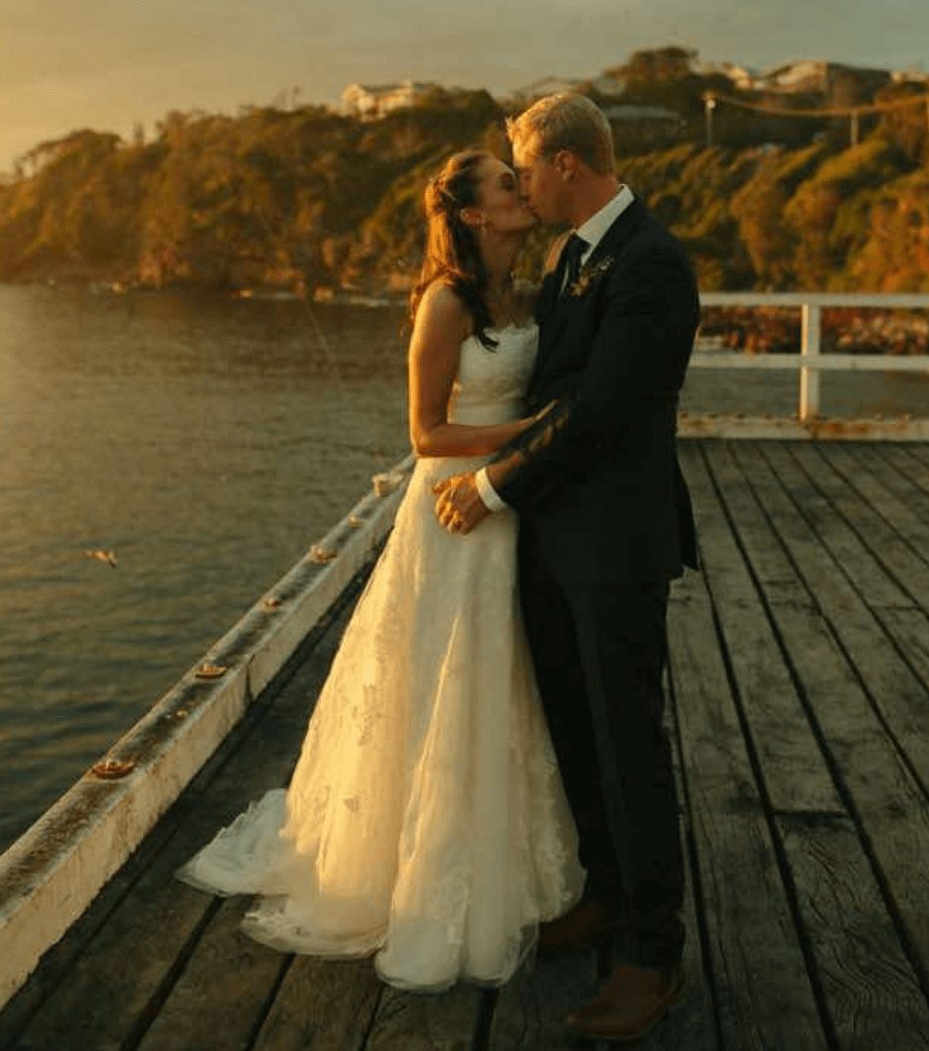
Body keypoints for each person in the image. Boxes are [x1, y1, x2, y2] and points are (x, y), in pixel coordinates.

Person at [176, 148, 585, 992]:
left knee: (501, 679)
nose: (520, 190)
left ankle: (500, 851)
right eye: (506, 184)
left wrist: (531, 446)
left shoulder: (523, 290)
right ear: (473, 215)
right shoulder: (445, 303)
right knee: (441, 677)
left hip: (509, 504)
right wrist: (536, 432)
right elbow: (426, 434)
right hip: (453, 510)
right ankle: (416, 869)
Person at [433, 93, 700, 1042]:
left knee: (629, 743)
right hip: (555, 540)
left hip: (614, 544)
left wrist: (495, 487)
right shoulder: (571, 255)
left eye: (526, 168)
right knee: (576, 731)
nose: (523, 184)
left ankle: (651, 952)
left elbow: (603, 411)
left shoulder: (653, 264)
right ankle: (603, 894)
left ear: (569, 167)